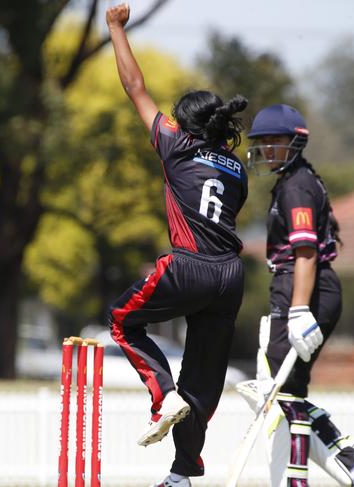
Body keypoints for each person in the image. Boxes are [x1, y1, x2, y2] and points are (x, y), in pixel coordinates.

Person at [104, 4, 248, 487]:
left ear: (186, 127)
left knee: (123, 319)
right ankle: (182, 473)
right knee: (203, 382)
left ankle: (162, 394)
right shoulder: (238, 169)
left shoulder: (176, 145)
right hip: (230, 276)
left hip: (189, 266)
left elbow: (135, 87)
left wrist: (115, 28)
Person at [236, 104, 354, 487]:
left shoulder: (297, 185)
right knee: (288, 393)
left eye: (275, 140)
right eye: (262, 142)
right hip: (306, 287)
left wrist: (299, 309)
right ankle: (344, 465)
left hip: (304, 288)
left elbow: (306, 252)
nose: (267, 148)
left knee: (274, 387)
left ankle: (331, 467)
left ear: (296, 142)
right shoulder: (294, 181)